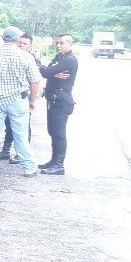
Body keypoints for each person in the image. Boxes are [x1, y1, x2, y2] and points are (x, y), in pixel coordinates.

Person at [0, 26, 42, 176]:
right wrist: (33, 100)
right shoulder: (25, 56)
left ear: (3, 38)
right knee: (20, 136)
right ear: (18, 40)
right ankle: (29, 168)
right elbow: (35, 82)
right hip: (18, 101)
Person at [38, 33, 78, 175]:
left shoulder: (69, 60)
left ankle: (59, 165)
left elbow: (46, 71)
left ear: (70, 44)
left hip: (61, 101)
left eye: (62, 43)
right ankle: (54, 161)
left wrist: (49, 72)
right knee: (53, 131)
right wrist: (50, 73)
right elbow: (46, 71)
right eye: (57, 43)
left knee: (59, 133)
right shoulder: (60, 57)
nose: (58, 45)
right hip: (53, 100)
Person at [0, 32, 39, 163]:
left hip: (22, 98)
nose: (21, 45)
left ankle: (21, 154)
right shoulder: (9, 55)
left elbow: (35, 82)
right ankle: (5, 150)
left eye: (25, 44)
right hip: (6, 97)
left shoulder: (29, 59)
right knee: (8, 125)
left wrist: (32, 99)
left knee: (23, 127)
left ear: (30, 46)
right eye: (20, 42)